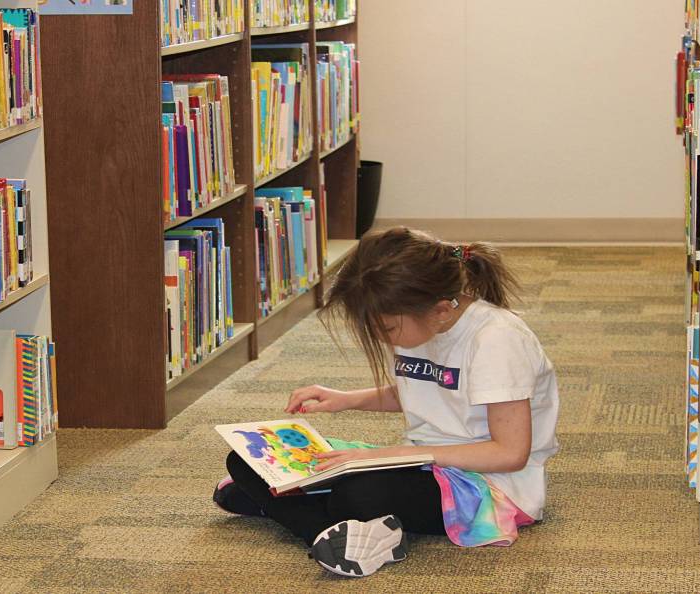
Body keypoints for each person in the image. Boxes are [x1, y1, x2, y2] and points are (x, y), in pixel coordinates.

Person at [213, 226, 560, 578]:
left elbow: (509, 453)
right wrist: (345, 399)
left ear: (440, 310)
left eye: (387, 330)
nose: (380, 338)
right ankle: (326, 522)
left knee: (359, 495)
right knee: (248, 456)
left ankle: (299, 514)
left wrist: (389, 457)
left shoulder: (497, 341)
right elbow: (425, 389)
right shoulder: (422, 320)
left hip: (488, 486)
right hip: (422, 463)